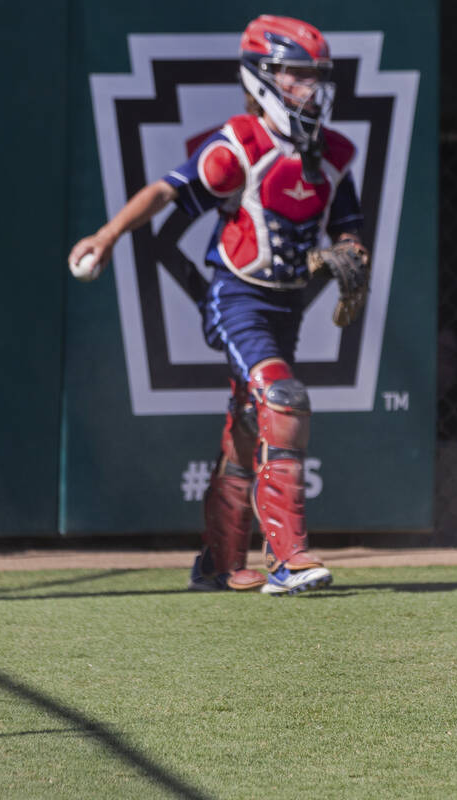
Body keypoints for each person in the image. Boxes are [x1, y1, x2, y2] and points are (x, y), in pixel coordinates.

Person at [68, 15, 371, 596]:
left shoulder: (330, 154)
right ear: (261, 78)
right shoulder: (240, 145)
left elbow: (350, 227)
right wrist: (106, 236)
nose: (311, 88)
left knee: (248, 427)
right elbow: (167, 190)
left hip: (288, 308)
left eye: (317, 77)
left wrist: (351, 255)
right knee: (283, 399)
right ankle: (289, 559)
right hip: (237, 298)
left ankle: (217, 561)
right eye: (297, 75)